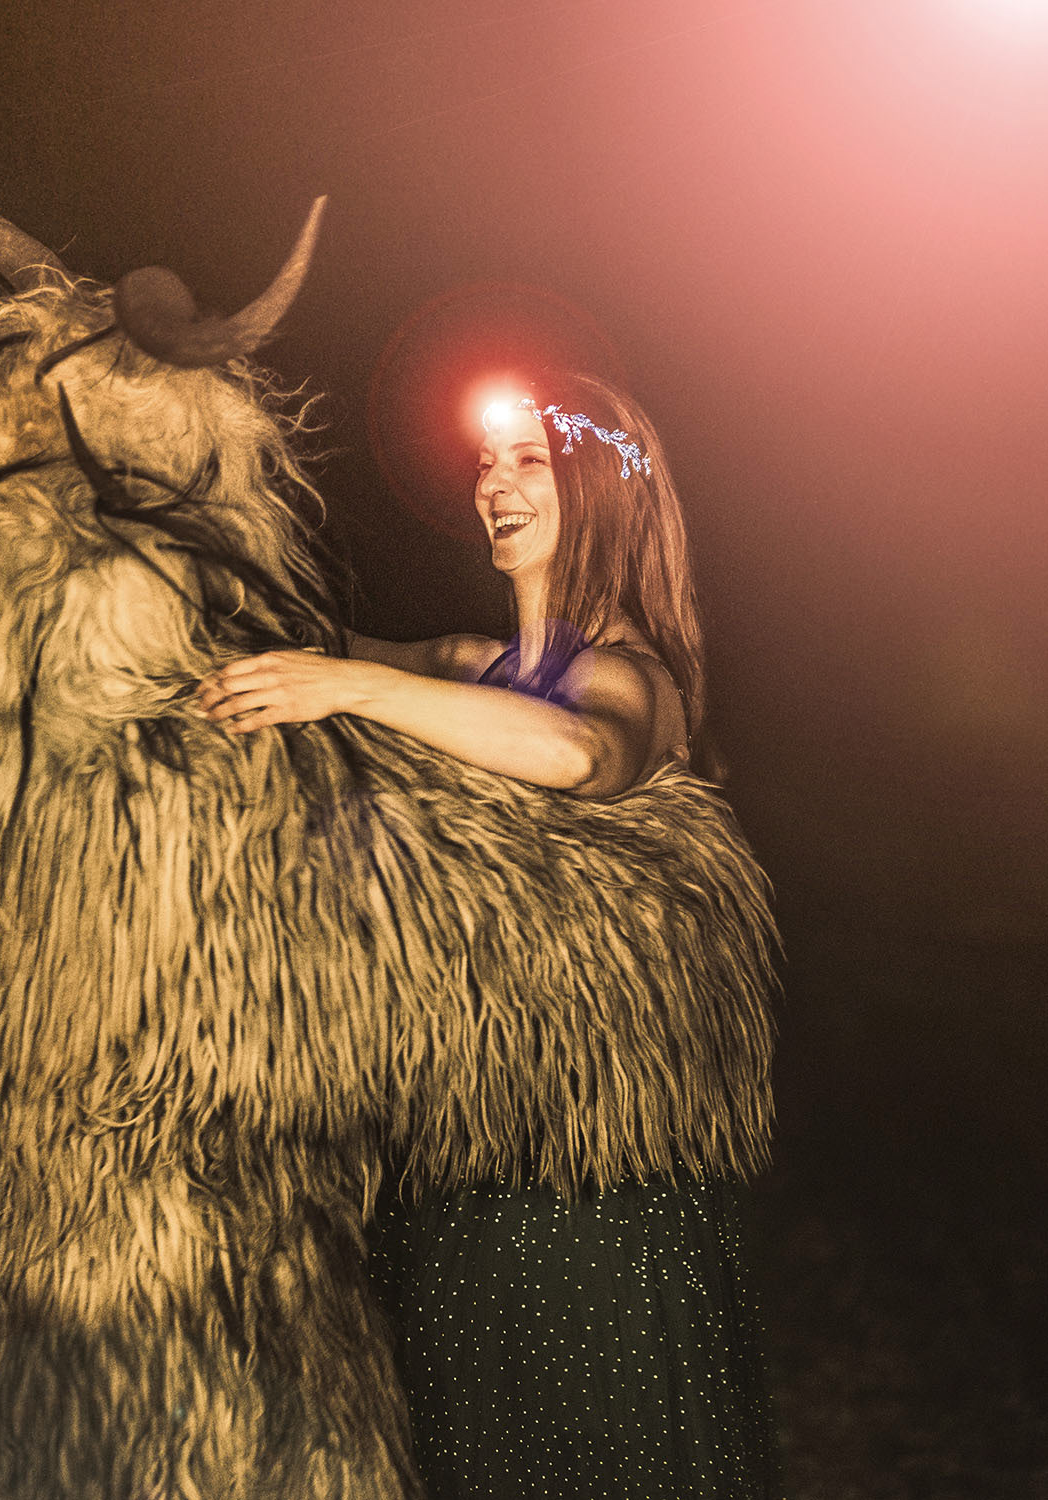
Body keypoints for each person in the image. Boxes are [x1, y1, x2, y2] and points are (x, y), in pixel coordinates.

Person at [196, 371, 781, 1497]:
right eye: (485, 461)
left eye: (527, 462)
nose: (492, 485)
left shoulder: (633, 676)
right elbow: (304, 639)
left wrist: (350, 688)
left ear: (600, 491)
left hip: (592, 1208)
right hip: (462, 1181)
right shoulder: (474, 664)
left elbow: (577, 757)